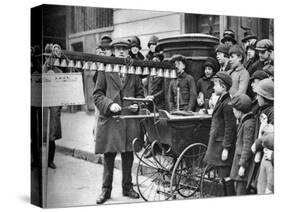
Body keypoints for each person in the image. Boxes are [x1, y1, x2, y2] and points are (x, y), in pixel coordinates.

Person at [93, 39, 144, 204]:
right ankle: (105, 190)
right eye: (118, 49)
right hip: (111, 120)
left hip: (128, 120)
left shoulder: (133, 70)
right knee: (109, 156)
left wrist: (137, 104)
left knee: (128, 155)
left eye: (124, 49)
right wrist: (110, 104)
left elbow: (140, 94)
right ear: (113, 51)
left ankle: (127, 187)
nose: (121, 51)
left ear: (128, 51)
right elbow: (97, 95)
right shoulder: (105, 69)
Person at [203, 72, 237, 179]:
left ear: (223, 87)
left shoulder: (227, 104)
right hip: (217, 143)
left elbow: (230, 128)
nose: (213, 87)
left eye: (215, 85)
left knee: (224, 176)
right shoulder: (221, 100)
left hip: (221, 145)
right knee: (220, 176)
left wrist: (226, 148)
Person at [249, 78, 274, 194]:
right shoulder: (263, 109)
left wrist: (258, 143)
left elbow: (270, 135)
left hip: (268, 157)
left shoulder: (272, 112)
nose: (257, 98)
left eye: (259, 96)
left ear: (266, 98)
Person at [42, 43, 63, 169]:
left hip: (54, 108)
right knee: (40, 135)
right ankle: (38, 160)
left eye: (53, 58)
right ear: (45, 57)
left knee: (51, 136)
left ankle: (50, 160)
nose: (51, 60)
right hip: (43, 107)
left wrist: (59, 108)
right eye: (48, 57)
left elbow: (62, 92)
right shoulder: (41, 70)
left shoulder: (59, 72)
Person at [230, 94, 255, 195]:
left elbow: (247, 146)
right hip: (238, 160)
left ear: (240, 111)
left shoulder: (248, 123)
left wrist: (243, 166)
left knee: (241, 191)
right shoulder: (244, 121)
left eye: (234, 110)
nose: (233, 111)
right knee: (237, 187)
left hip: (242, 163)